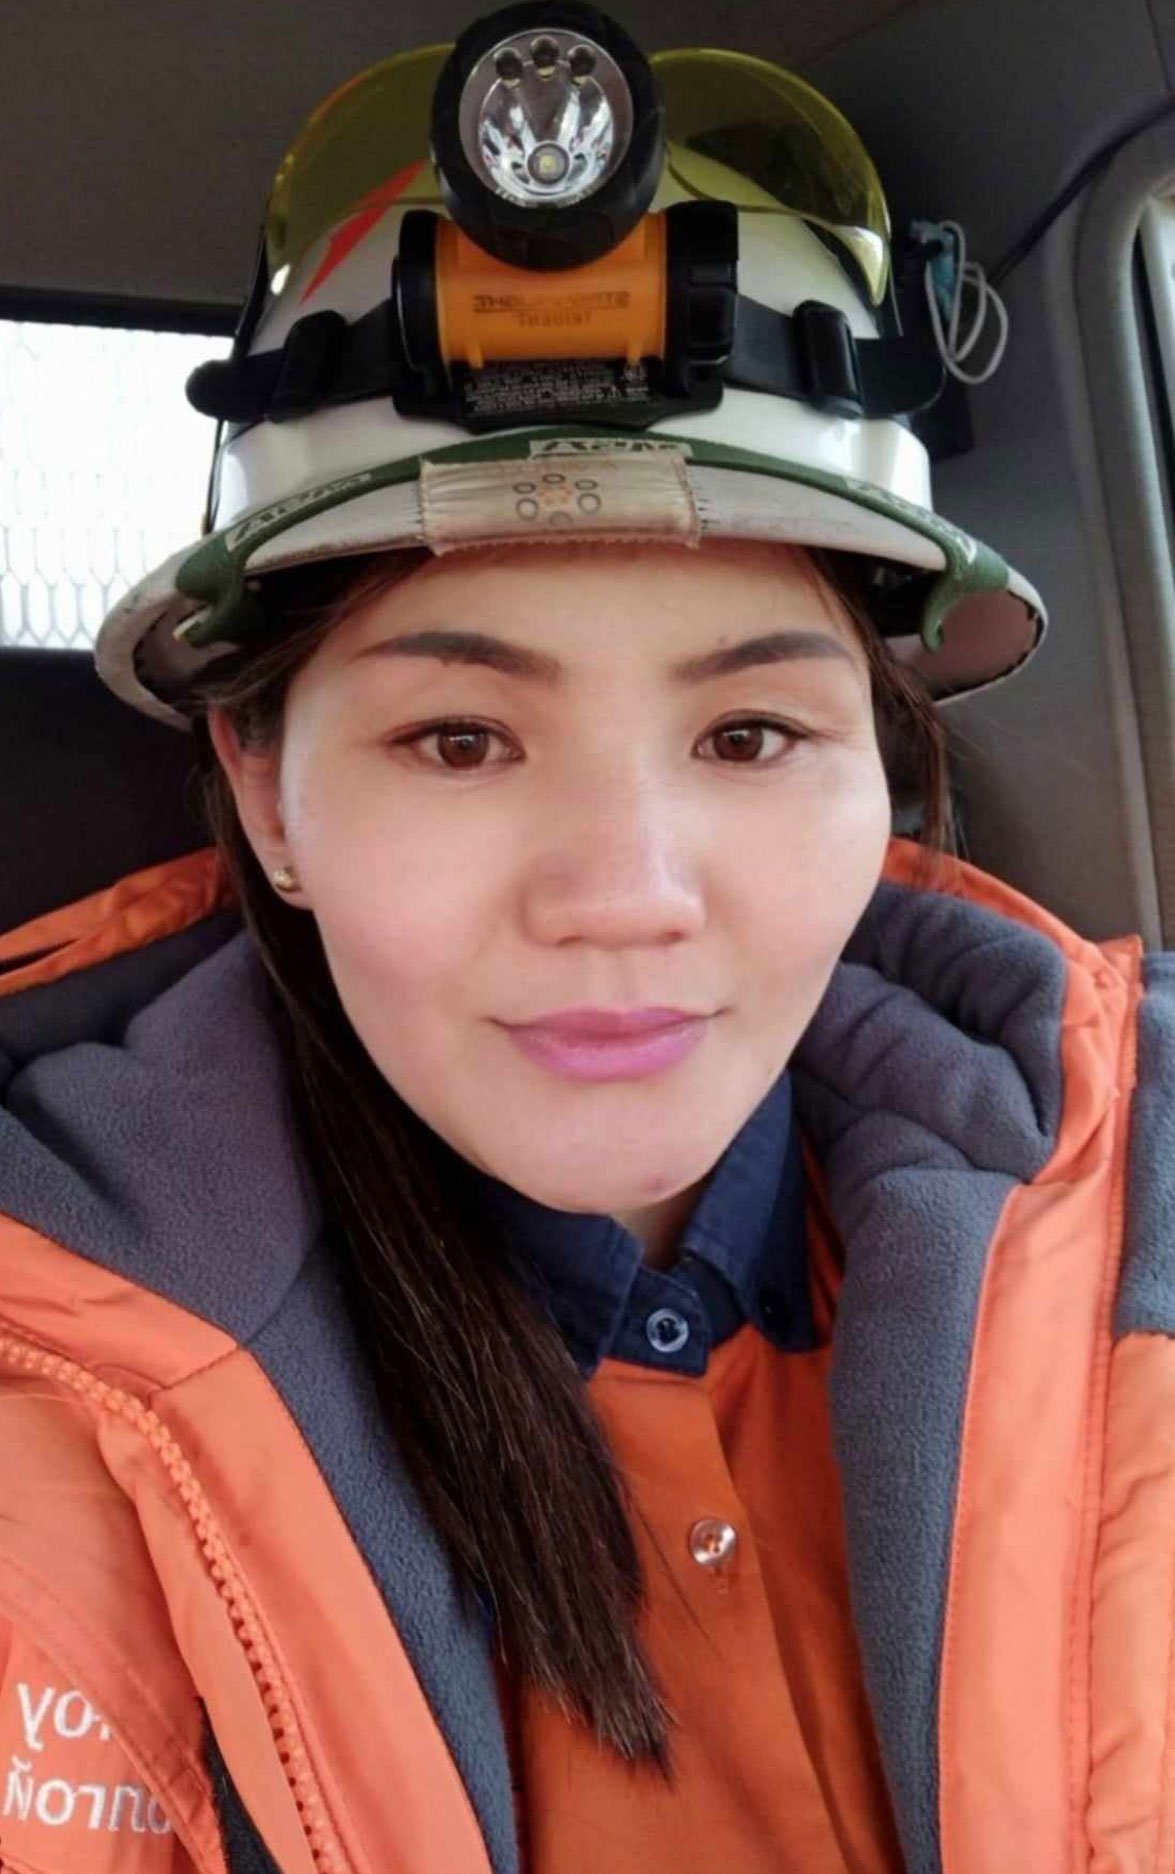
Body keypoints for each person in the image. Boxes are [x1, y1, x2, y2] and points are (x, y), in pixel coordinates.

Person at [0, 8, 1169, 1873]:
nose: (626, 891)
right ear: (269, 793)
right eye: (460, 740)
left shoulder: (1142, 1200)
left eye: (751, 735)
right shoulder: (49, 1363)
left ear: (886, 771)